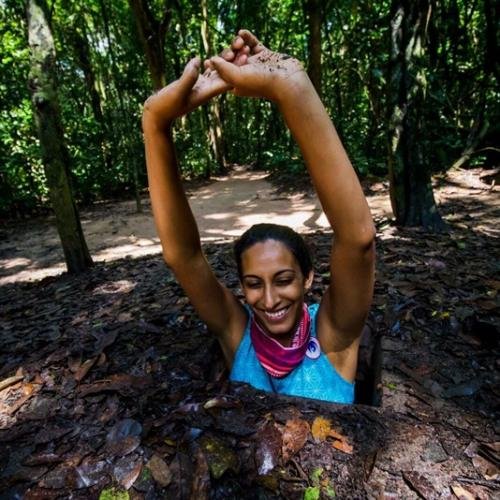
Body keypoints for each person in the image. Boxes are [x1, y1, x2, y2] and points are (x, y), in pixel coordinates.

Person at [142, 30, 375, 404]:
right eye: (253, 283)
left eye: (283, 279)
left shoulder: (333, 334)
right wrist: (154, 124)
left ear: (308, 277)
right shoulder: (236, 332)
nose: (268, 299)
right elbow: (182, 257)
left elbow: (358, 238)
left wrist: (292, 88)